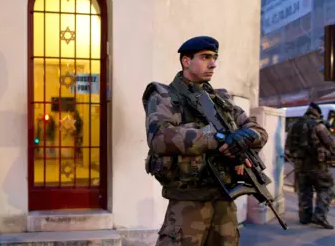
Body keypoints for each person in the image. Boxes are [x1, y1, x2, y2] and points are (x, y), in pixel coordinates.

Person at [142, 36, 268, 246]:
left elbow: (258, 130)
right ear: (186, 61)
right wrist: (218, 139)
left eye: (214, 58)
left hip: (224, 200)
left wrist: (244, 138)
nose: (213, 63)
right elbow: (160, 138)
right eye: (205, 57)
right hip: (188, 203)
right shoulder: (164, 95)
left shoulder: (220, 100)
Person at [284, 102, 335, 229]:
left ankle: (305, 217)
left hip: (300, 165)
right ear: (317, 113)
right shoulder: (319, 126)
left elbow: (288, 147)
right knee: (326, 188)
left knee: (304, 190)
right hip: (317, 164)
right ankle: (319, 216)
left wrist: (296, 159)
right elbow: (331, 144)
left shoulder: (294, 125)